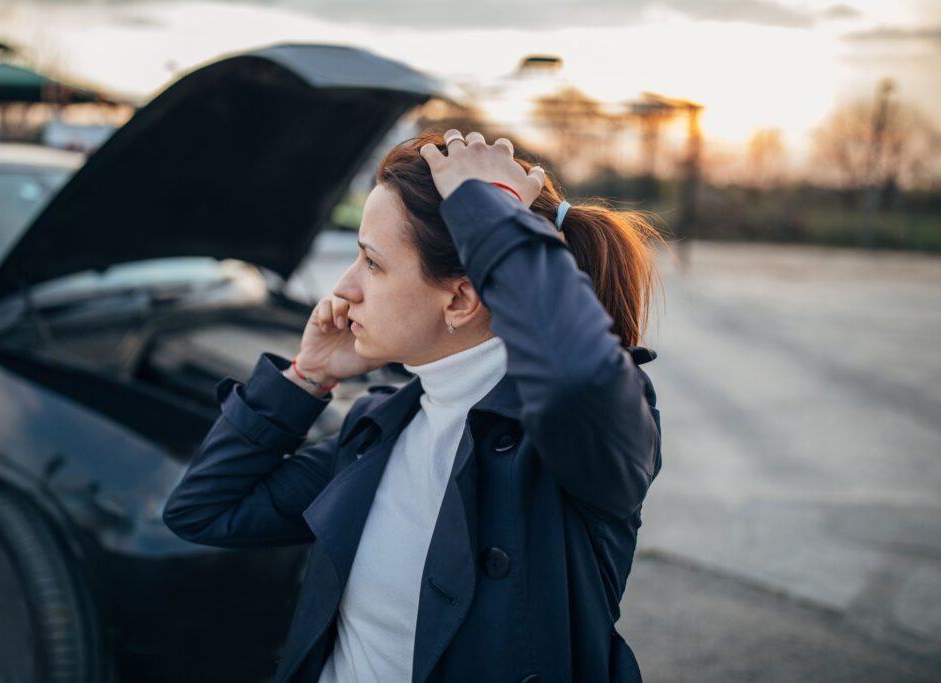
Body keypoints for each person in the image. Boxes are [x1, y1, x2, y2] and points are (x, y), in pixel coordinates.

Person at [163, 129, 667, 683]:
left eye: (372, 264)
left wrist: (490, 212)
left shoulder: (575, 443)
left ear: (459, 299)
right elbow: (203, 510)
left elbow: (577, 367)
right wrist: (307, 377)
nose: (345, 288)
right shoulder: (379, 429)